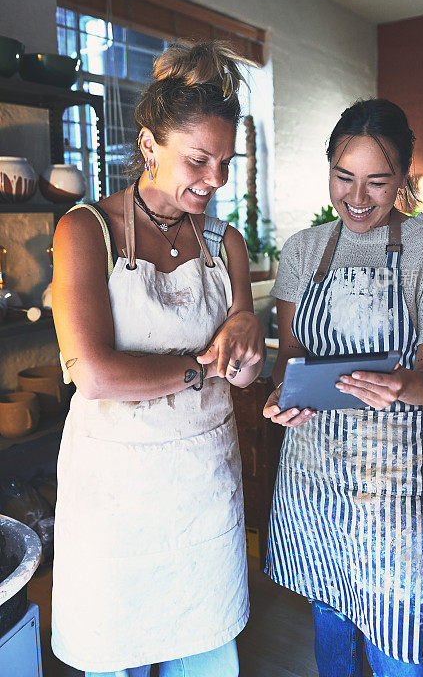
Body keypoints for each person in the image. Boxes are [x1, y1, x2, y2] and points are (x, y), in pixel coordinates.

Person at [51, 41, 265, 677]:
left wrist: (247, 340)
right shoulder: (86, 230)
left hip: (204, 486)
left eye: (226, 161)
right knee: (118, 652)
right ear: (148, 145)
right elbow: (93, 373)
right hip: (117, 497)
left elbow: (244, 373)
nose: (216, 179)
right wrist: (202, 366)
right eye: (198, 160)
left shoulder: (224, 243)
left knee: (204, 655)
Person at [263, 99, 423, 677]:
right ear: (328, 166)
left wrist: (400, 383)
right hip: (314, 480)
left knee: (406, 645)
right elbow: (293, 358)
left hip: (395, 491)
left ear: (404, 177)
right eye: (343, 177)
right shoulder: (305, 251)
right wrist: (283, 398)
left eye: (377, 182)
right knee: (333, 641)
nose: (357, 199)